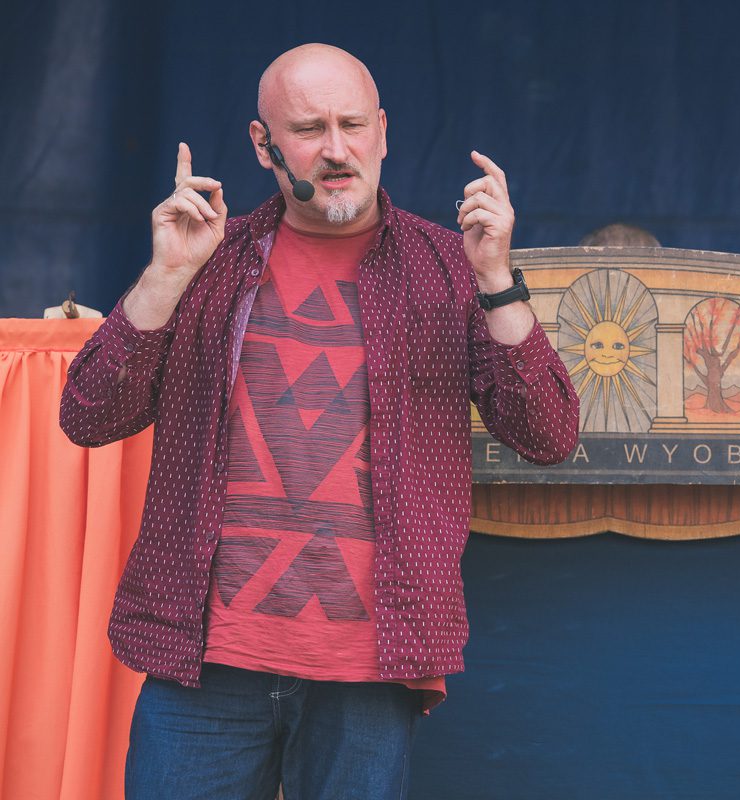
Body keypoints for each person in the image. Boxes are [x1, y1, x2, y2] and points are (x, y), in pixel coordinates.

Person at [59, 43, 579, 799]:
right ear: (262, 143)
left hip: (371, 665)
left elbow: (549, 433)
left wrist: (497, 278)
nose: (336, 150)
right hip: (205, 660)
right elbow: (88, 414)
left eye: (353, 125)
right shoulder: (207, 261)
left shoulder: (449, 267)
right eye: (308, 130)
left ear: (383, 131)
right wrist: (166, 274)